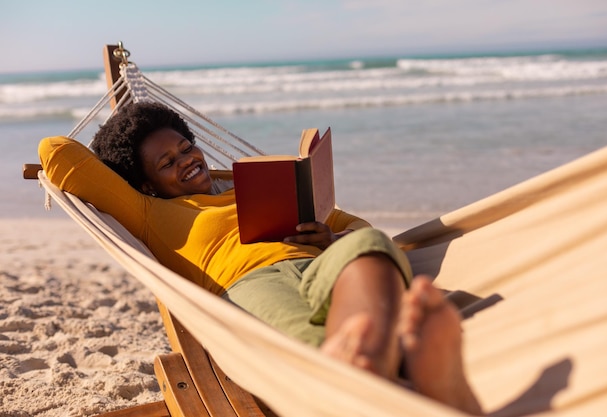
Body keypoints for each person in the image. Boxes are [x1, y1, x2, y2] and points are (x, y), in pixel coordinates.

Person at [39, 102, 482, 414]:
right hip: (250, 283)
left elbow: (358, 225)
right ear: (147, 184)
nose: (186, 160)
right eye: (166, 162)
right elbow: (57, 153)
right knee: (294, 344)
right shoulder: (150, 212)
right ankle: (388, 364)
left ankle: (369, 357)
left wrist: (330, 236)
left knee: (371, 246)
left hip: (323, 262)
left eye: (185, 146)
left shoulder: (250, 182)